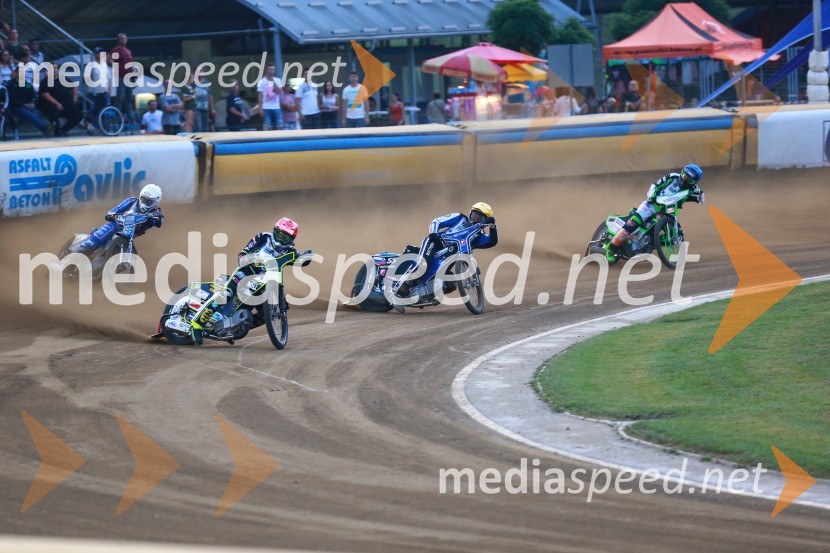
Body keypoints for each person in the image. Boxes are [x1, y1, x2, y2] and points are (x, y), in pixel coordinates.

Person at [190, 217, 309, 345]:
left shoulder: (290, 251)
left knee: (266, 316)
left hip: (266, 284)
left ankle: (234, 329)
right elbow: (243, 253)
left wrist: (308, 256)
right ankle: (196, 325)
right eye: (279, 235)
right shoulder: (263, 237)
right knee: (226, 294)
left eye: (285, 238)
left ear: (292, 239)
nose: (281, 240)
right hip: (246, 273)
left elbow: (301, 261)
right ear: (274, 231)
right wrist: (248, 258)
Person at [394, 202, 499, 300]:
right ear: (470, 213)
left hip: (447, 258)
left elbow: (492, 241)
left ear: (485, 221)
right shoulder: (460, 218)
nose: (474, 220)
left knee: (450, 283)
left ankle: (425, 294)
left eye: (479, 218)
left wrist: (493, 227)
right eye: (474, 215)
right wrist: (433, 233)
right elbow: (437, 221)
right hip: (435, 243)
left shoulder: (478, 237)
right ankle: (401, 287)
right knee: (423, 263)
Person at [605, 164, 704, 263]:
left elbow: (701, 197)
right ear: (682, 173)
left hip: (667, 210)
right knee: (633, 223)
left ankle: (646, 248)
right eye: (684, 177)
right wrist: (651, 195)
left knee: (657, 229)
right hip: (651, 205)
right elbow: (655, 185)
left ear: (694, 182)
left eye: (689, 180)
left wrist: (699, 197)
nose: (685, 181)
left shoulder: (693, 189)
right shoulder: (672, 176)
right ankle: (611, 249)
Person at [74, 184, 163, 256]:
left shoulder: (155, 213)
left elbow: (159, 222)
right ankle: (78, 252)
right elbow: (116, 209)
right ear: (140, 196)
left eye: (149, 202)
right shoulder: (132, 201)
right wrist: (111, 215)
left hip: (128, 236)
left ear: (155, 203)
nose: (144, 203)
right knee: (96, 240)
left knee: (130, 254)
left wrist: (156, 218)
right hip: (116, 224)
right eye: (143, 199)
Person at [37, 63, 82, 137]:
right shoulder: (44, 82)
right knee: (52, 111)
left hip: (66, 102)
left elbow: (74, 86)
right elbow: (46, 95)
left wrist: (74, 98)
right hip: (51, 104)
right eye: (52, 69)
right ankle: (56, 131)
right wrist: (57, 103)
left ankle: (63, 130)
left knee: (78, 115)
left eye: (56, 68)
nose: (54, 70)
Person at [8, 66, 51, 136]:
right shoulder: (11, 84)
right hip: (16, 107)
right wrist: (24, 105)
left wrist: (33, 103)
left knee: (35, 112)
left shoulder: (27, 84)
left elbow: (33, 95)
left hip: (29, 105)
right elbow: (12, 98)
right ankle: (45, 128)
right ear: (16, 73)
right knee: (28, 114)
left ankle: (46, 129)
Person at [110, 33, 134, 122]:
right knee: (119, 97)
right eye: (121, 39)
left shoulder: (128, 51)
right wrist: (114, 65)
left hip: (129, 77)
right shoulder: (116, 50)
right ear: (118, 40)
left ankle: (129, 117)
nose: (123, 40)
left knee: (129, 98)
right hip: (120, 77)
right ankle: (116, 117)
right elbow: (109, 59)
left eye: (125, 38)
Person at [257, 62, 283, 131]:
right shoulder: (261, 81)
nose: (271, 71)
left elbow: (280, 92)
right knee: (269, 127)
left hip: (276, 106)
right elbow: (260, 96)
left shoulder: (278, 80)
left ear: (274, 71)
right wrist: (260, 109)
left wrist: (273, 82)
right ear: (267, 70)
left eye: (273, 69)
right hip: (266, 107)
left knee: (279, 126)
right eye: (269, 69)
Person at [193, 68, 215, 132]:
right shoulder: (193, 83)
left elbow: (210, 95)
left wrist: (212, 108)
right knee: (198, 126)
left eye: (202, 71)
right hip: (196, 107)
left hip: (205, 107)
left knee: (206, 127)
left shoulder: (206, 82)